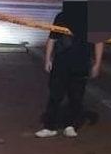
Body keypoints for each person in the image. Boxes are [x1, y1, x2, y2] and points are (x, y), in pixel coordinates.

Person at [35, 8, 104, 139]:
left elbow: (99, 42)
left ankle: (70, 126)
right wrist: (48, 59)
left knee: (76, 97)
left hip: (81, 63)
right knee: (55, 95)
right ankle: (49, 127)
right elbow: (52, 38)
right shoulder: (62, 16)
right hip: (61, 62)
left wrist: (97, 64)